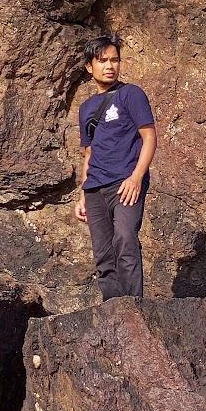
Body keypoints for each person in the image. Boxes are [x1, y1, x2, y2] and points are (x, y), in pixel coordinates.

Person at [75, 32, 157, 300]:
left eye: (115, 60)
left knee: (125, 239)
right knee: (103, 253)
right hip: (95, 188)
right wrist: (81, 195)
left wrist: (136, 177)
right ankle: (114, 309)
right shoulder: (86, 108)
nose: (110, 66)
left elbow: (149, 138)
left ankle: (134, 306)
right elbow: (89, 153)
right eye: (102, 61)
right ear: (90, 67)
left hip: (125, 183)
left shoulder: (131, 94)